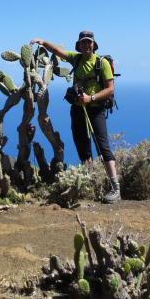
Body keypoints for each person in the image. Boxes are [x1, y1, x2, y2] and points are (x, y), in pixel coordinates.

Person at [29, 31, 120, 203]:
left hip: (95, 109)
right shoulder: (76, 59)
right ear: (79, 45)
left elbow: (110, 89)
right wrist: (43, 42)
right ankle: (92, 184)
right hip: (78, 110)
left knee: (102, 147)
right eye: (83, 43)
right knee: (82, 147)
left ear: (94, 44)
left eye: (89, 42)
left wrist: (90, 98)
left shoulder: (102, 63)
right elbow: (58, 51)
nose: (86, 45)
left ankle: (115, 189)